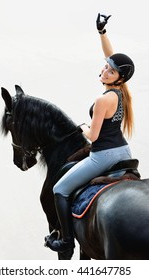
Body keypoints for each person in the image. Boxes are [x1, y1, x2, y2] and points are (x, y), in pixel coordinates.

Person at [45, 13, 135, 253]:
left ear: (119, 77)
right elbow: (111, 56)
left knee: (59, 189)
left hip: (103, 155)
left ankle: (66, 240)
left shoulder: (102, 99)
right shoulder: (123, 93)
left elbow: (92, 137)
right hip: (123, 152)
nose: (105, 71)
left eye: (111, 71)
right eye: (106, 67)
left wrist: (82, 126)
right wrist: (102, 33)